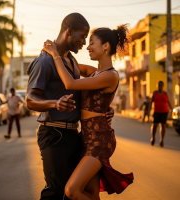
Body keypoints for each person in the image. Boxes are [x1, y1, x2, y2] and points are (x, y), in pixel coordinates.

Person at [26, 13, 114, 200]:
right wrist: (55, 103)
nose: (84, 43)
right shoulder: (45, 61)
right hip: (54, 134)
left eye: (88, 39)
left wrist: (103, 108)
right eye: (83, 37)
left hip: (75, 136)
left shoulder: (72, 62)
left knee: (75, 193)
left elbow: (85, 89)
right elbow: (29, 100)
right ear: (70, 31)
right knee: (56, 191)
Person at [43, 23, 134, 200]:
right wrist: (61, 50)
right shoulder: (95, 73)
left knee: (72, 190)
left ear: (105, 47)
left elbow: (71, 83)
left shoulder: (110, 75)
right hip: (86, 137)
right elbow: (73, 66)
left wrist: (55, 55)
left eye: (92, 43)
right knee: (91, 193)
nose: (88, 46)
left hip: (99, 140)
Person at [148, 81, 172, 147]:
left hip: (164, 112)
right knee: (154, 125)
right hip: (156, 112)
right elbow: (151, 102)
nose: (160, 87)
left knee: (163, 125)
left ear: (163, 86)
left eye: (161, 85)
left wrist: (171, 109)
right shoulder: (155, 93)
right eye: (159, 85)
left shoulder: (165, 93)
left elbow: (168, 102)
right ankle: (153, 137)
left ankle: (162, 140)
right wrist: (149, 110)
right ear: (157, 86)